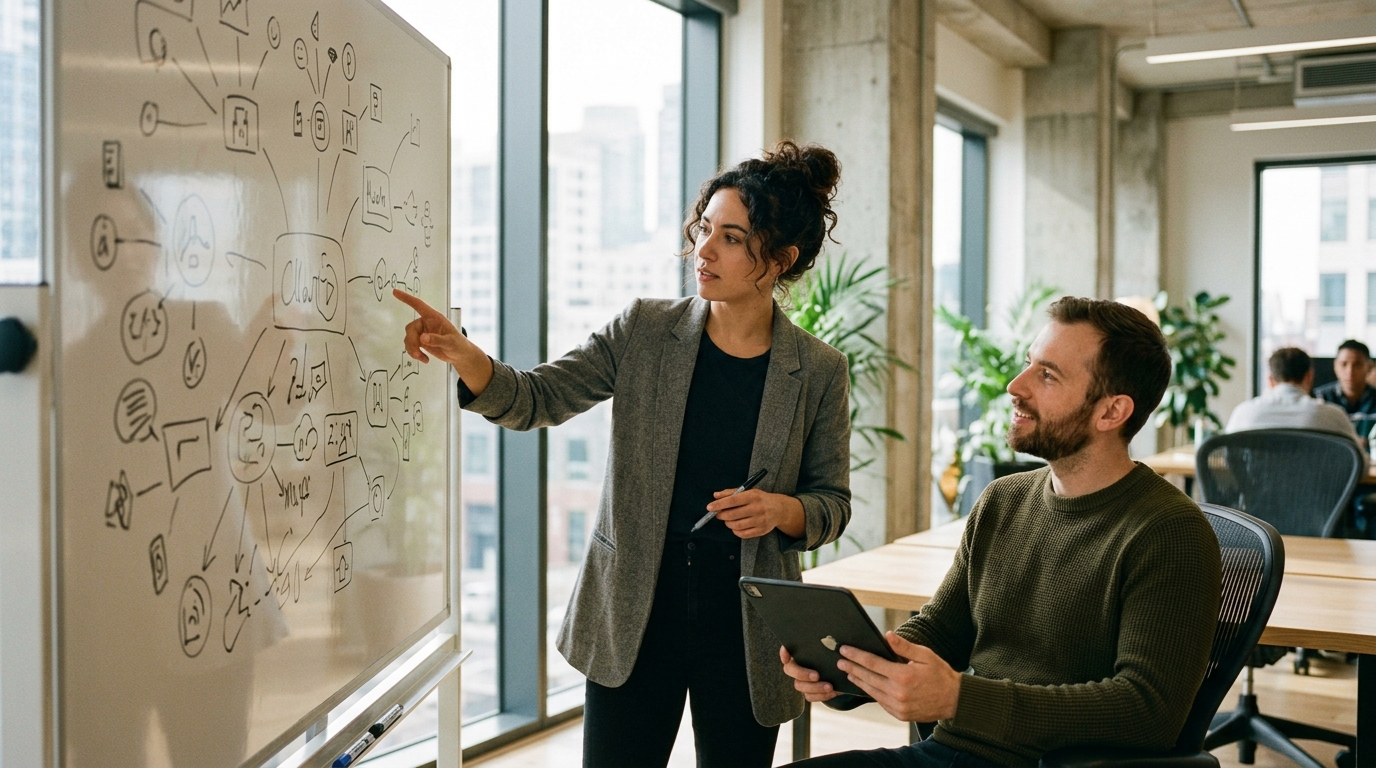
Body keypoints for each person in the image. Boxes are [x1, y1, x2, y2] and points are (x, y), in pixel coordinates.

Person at [394, 141, 853, 768]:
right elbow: (537, 398)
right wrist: (464, 355)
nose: (704, 249)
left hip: (745, 620)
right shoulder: (644, 329)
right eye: (704, 229)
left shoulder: (819, 370)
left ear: (780, 259)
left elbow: (832, 503)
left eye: (732, 238)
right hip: (636, 605)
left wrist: (781, 510)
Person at [782, 298, 1222, 767]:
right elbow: (940, 630)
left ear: (1112, 412)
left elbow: (1147, 711)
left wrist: (959, 700)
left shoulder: (1170, 533)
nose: (1016, 386)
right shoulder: (1003, 499)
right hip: (953, 753)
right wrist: (853, 668)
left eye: (1047, 375)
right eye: (1028, 364)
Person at [1226, 346, 1366, 461]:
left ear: (1270, 379)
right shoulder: (1333, 415)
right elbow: (1361, 464)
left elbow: (1226, 458)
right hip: (1319, 495)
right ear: (1309, 377)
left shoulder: (1243, 413)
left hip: (1256, 494)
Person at [1315, 339, 1376, 417]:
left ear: (1369, 366)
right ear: (1335, 366)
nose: (1350, 371)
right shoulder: (1320, 399)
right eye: (1343, 364)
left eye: (1357, 365)